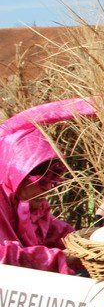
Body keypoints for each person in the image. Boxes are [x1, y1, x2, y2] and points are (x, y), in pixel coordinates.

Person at [0, 99, 95, 274]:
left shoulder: (32, 206)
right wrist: (60, 258)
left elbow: (54, 231)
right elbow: (4, 256)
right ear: (17, 175)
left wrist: (84, 241)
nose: (48, 189)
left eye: (52, 181)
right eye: (40, 182)